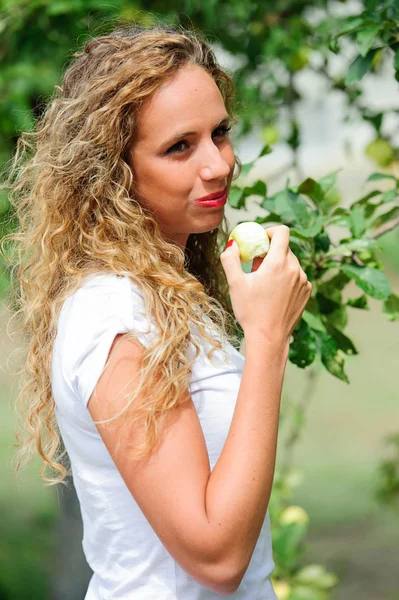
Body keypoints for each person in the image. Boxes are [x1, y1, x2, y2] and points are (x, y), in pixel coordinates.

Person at [3, 22, 311, 599]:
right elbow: (214, 556)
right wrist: (267, 337)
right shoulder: (114, 313)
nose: (218, 164)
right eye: (179, 146)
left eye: (219, 133)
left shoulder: (168, 296)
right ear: (114, 175)